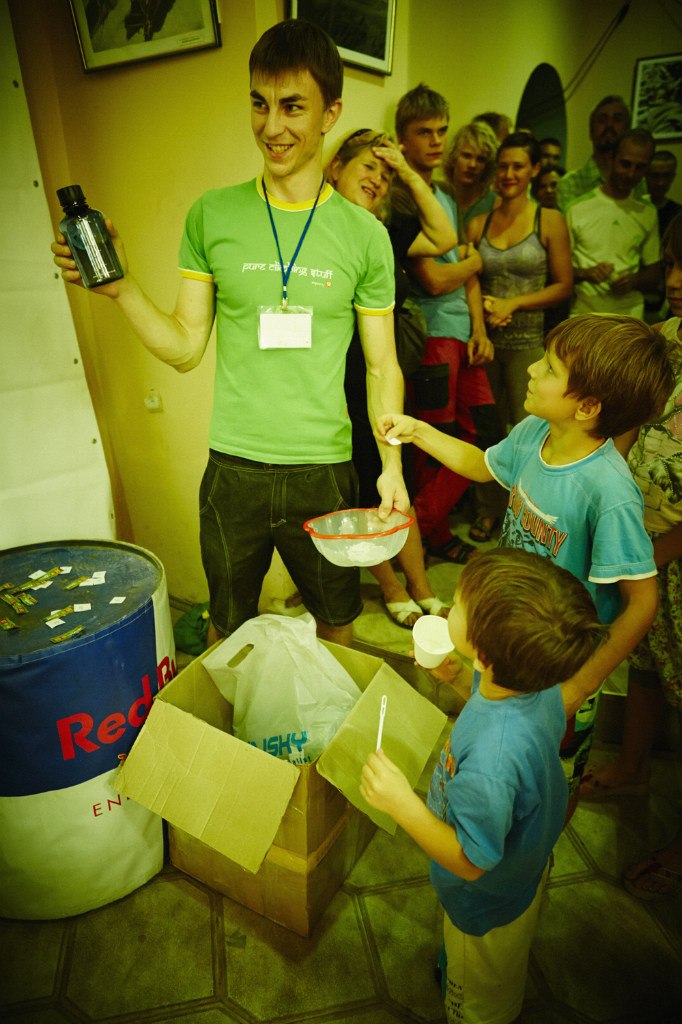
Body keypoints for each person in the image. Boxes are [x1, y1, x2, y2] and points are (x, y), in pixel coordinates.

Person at [52, 19, 408, 648]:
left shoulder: (365, 236)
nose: (272, 127)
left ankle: (327, 745)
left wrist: (391, 465)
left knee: (337, 625)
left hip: (323, 470)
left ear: (332, 112)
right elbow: (187, 345)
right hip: (232, 469)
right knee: (225, 626)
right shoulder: (212, 216)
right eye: (259, 103)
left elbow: (382, 366)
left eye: (293, 107)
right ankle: (219, 745)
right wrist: (122, 289)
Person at [377, 313, 674, 818]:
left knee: (549, 782)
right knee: (500, 754)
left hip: (559, 669)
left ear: (587, 406)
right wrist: (420, 432)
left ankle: (532, 860)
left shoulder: (608, 491)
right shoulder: (537, 432)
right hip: (508, 640)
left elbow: (641, 603)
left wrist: (578, 688)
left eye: (550, 367)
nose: (533, 370)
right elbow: (481, 465)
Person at [361, 547, 608, 1024]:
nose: (449, 609)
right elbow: (496, 714)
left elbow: (473, 862)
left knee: (480, 997)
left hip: (486, 899)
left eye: (458, 606)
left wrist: (401, 804)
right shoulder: (527, 686)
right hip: (525, 860)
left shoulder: (492, 764)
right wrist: (453, 676)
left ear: (487, 651)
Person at [580, 213, 682, 901]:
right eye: (672, 263)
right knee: (644, 660)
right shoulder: (667, 342)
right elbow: (629, 427)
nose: (672, 281)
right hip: (646, 543)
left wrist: (650, 555)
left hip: (667, 548)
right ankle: (634, 764)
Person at [326, 128, 457, 625]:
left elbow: (446, 237)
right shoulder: (315, 233)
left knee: (396, 470)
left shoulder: (385, 228)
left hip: (387, 369)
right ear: (335, 166)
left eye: (384, 175)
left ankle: (421, 584)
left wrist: (404, 171)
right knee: (361, 484)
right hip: (340, 378)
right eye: (369, 169)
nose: (378, 181)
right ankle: (388, 585)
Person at [392, 84, 499, 564]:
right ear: (403, 139)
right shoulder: (402, 197)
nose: (436, 142)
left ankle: (426, 522)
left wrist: (479, 328)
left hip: (464, 336)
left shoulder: (447, 196)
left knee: (485, 435)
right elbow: (434, 280)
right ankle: (424, 529)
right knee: (432, 443)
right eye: (424, 133)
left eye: (441, 131)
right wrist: (473, 265)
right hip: (432, 335)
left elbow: (460, 273)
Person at [467, 133, 573, 541]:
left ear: (532, 170)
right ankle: (488, 509)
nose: (509, 174)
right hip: (488, 345)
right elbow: (470, 282)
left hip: (531, 342)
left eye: (517, 166)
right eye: (503, 166)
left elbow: (564, 285)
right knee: (487, 429)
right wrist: (479, 327)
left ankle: (529, 513)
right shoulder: (478, 224)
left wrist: (515, 304)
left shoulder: (548, 219)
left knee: (532, 431)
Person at [567, 128, 660, 319]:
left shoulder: (648, 212)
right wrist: (586, 273)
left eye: (640, 167)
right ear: (612, 158)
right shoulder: (577, 208)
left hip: (629, 315)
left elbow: (654, 271)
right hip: (585, 313)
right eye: (625, 164)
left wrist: (633, 281)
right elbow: (557, 269)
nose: (631, 173)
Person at [556, 94, 648, 212]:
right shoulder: (569, 184)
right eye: (602, 120)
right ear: (591, 131)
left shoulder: (637, 180)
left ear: (627, 130)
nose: (609, 125)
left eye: (617, 119)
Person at [441, 120, 499, 237]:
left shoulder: (495, 204)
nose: (472, 165)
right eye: (466, 156)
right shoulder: (438, 195)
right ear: (454, 156)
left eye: (480, 159)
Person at [644, 150, 681, 321]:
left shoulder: (677, 214)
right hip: (636, 297)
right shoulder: (636, 211)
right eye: (655, 176)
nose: (660, 182)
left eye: (666, 176)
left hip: (667, 303)